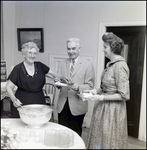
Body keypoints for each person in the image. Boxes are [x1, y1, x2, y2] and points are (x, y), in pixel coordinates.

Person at [80, 32, 130, 149]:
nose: (103, 50)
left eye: (105, 47)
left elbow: (124, 95)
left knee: (108, 140)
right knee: (99, 140)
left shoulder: (120, 66)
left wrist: (100, 97)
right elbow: (106, 87)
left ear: (112, 48)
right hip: (103, 109)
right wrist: (95, 91)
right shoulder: (110, 64)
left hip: (113, 111)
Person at [6, 41, 63, 118]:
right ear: (24, 54)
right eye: (29, 53)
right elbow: (8, 87)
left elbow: (55, 75)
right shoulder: (18, 69)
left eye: (35, 53)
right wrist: (14, 100)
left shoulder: (40, 66)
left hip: (39, 101)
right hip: (22, 103)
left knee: (39, 125)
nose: (32, 56)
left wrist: (60, 78)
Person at [54, 38, 95, 136]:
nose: (71, 51)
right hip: (62, 105)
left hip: (78, 105)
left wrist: (78, 87)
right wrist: (57, 82)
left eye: (73, 49)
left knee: (75, 135)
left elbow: (90, 86)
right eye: (68, 49)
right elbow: (58, 81)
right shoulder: (62, 63)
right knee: (62, 134)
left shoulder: (88, 64)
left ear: (79, 49)